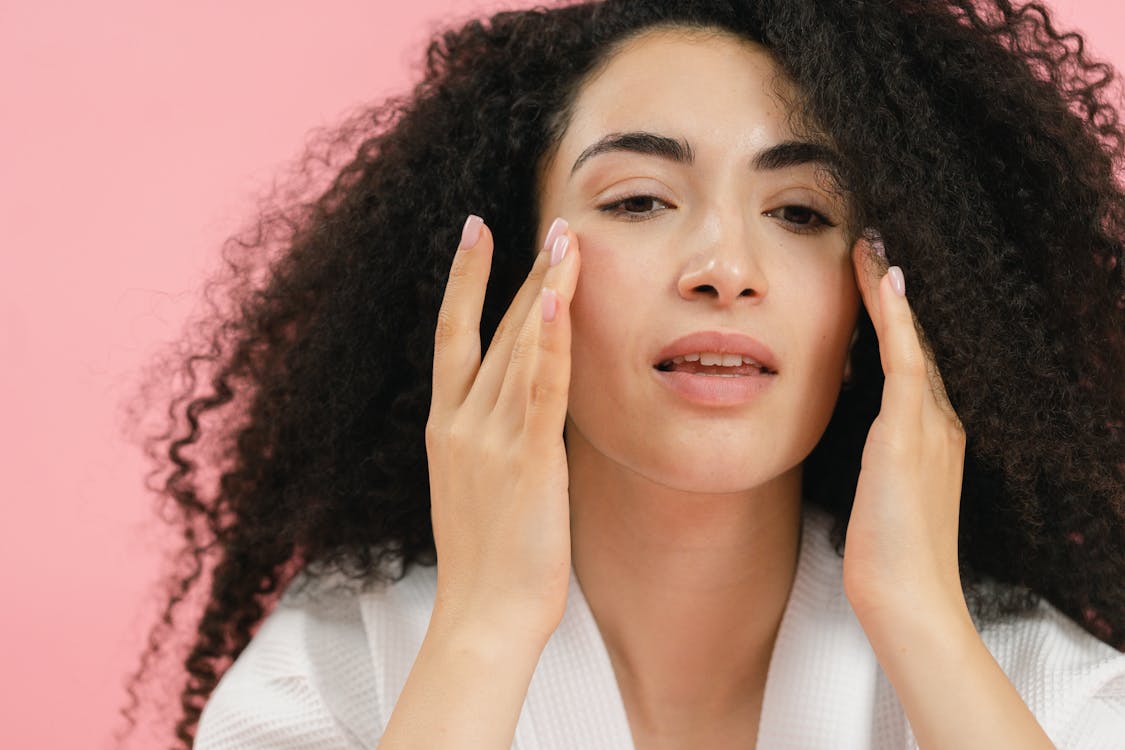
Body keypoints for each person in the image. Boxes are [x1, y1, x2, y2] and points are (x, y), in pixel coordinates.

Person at [116, 0, 1125, 748]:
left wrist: (923, 622)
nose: (725, 270)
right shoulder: (335, 663)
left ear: (876, 310)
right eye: (640, 200)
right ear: (520, 273)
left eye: (803, 213)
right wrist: (483, 631)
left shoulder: (1041, 685)